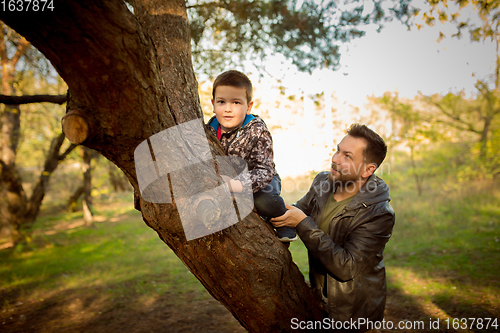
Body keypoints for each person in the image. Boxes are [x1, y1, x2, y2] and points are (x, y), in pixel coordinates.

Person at [271, 124, 395, 332]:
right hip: (319, 297)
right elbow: (300, 209)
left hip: (354, 312)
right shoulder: (323, 182)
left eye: (348, 156)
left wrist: (302, 223)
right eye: (338, 150)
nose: (336, 159)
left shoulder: (379, 213)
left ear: (368, 170)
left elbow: (346, 267)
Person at [206, 70, 297, 242]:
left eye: (236, 102)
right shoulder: (211, 127)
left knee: (266, 200)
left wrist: (238, 184)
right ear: (213, 104)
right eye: (221, 102)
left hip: (262, 179)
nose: (227, 108)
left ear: (248, 107)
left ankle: (284, 219)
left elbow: (265, 170)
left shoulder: (257, 130)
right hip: (229, 180)